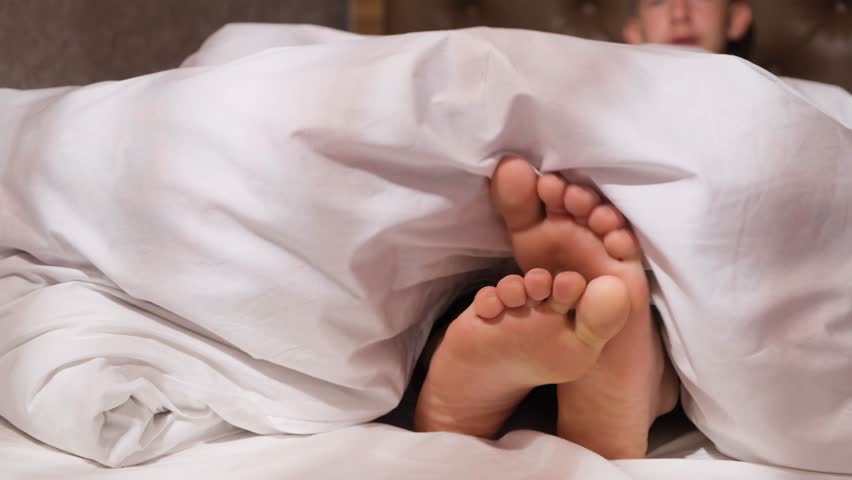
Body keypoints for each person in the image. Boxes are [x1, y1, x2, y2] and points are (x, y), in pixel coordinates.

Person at [413, 0, 755, 460]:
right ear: (632, 33)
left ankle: (632, 371)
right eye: (658, 2)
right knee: (570, 301)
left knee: (596, 306)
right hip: (602, 262)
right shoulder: (601, 88)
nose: (679, 13)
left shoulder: (773, 99)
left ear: (738, 19)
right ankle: (642, 380)